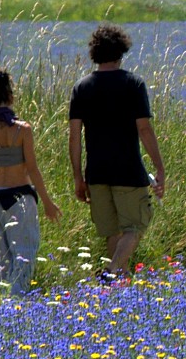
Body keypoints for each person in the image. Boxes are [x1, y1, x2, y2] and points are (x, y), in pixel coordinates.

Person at [68, 24, 165, 279]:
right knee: (135, 226)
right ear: (121, 52)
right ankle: (111, 273)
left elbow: (74, 136)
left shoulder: (82, 87)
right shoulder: (133, 84)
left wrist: (78, 176)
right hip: (128, 170)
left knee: (113, 231)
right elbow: (144, 129)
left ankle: (116, 289)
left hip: (97, 172)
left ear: (94, 53)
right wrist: (160, 167)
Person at [0, 70, 58, 299]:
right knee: (24, 254)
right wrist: (47, 202)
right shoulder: (22, 130)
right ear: (11, 96)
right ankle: (16, 304)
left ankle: (0, 303)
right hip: (20, 197)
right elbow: (32, 169)